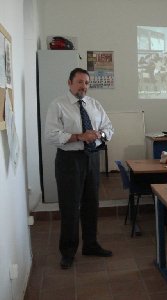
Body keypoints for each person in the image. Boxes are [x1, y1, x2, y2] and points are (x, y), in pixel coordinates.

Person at [45, 68, 114, 269]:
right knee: (70, 206)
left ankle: (90, 245)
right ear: (69, 83)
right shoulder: (58, 105)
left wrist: (99, 135)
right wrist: (79, 136)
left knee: (91, 204)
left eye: (86, 83)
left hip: (92, 158)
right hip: (69, 160)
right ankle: (68, 251)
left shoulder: (94, 105)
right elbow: (50, 135)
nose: (83, 86)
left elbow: (110, 128)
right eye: (79, 82)